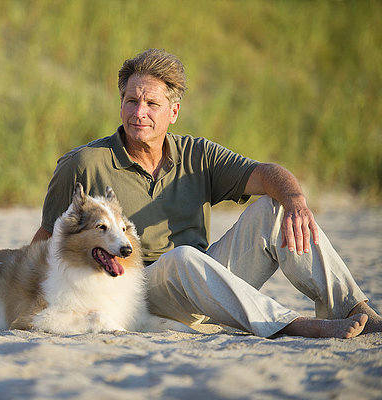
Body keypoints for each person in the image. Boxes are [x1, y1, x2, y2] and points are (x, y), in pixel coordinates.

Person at [32, 48, 381, 339]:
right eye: (131, 100)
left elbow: (266, 173)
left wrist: (295, 201)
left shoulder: (198, 155)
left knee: (275, 211)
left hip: (209, 290)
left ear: (174, 111)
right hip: (137, 294)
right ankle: (295, 324)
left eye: (152, 104)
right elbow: (44, 243)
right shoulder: (84, 163)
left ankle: (355, 309)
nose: (139, 113)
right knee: (182, 259)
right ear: (120, 103)